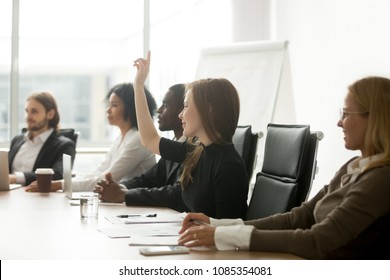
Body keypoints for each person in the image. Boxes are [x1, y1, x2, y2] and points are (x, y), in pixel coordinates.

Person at [178, 76, 390, 259]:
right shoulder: (352, 168)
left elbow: (317, 241)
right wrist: (219, 226)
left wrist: (222, 235)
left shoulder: (380, 179)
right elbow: (298, 217)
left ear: (374, 118)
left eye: (346, 114)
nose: (339, 122)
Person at [130, 51, 248, 219]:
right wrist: (138, 86)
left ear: (209, 109)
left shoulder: (228, 166)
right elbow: (150, 139)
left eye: (186, 106)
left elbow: (228, 232)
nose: (180, 115)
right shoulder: (196, 152)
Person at [25, 83, 157, 192]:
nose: (108, 110)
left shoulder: (138, 138)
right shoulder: (121, 138)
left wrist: (59, 185)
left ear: (132, 108)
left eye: (114, 105)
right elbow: (98, 171)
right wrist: (62, 183)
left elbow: (107, 178)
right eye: (109, 105)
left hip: (137, 205)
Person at [96, 83, 189, 212]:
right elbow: (149, 179)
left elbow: (176, 193)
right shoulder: (175, 145)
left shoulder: (192, 148)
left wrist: (123, 194)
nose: (159, 110)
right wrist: (120, 187)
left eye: (166, 105)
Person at [8, 91, 76, 186]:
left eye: (34, 111)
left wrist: (14, 178)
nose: (28, 117)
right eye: (27, 111)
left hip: (37, 196)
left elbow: (58, 174)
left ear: (50, 114)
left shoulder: (64, 145)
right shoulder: (17, 140)